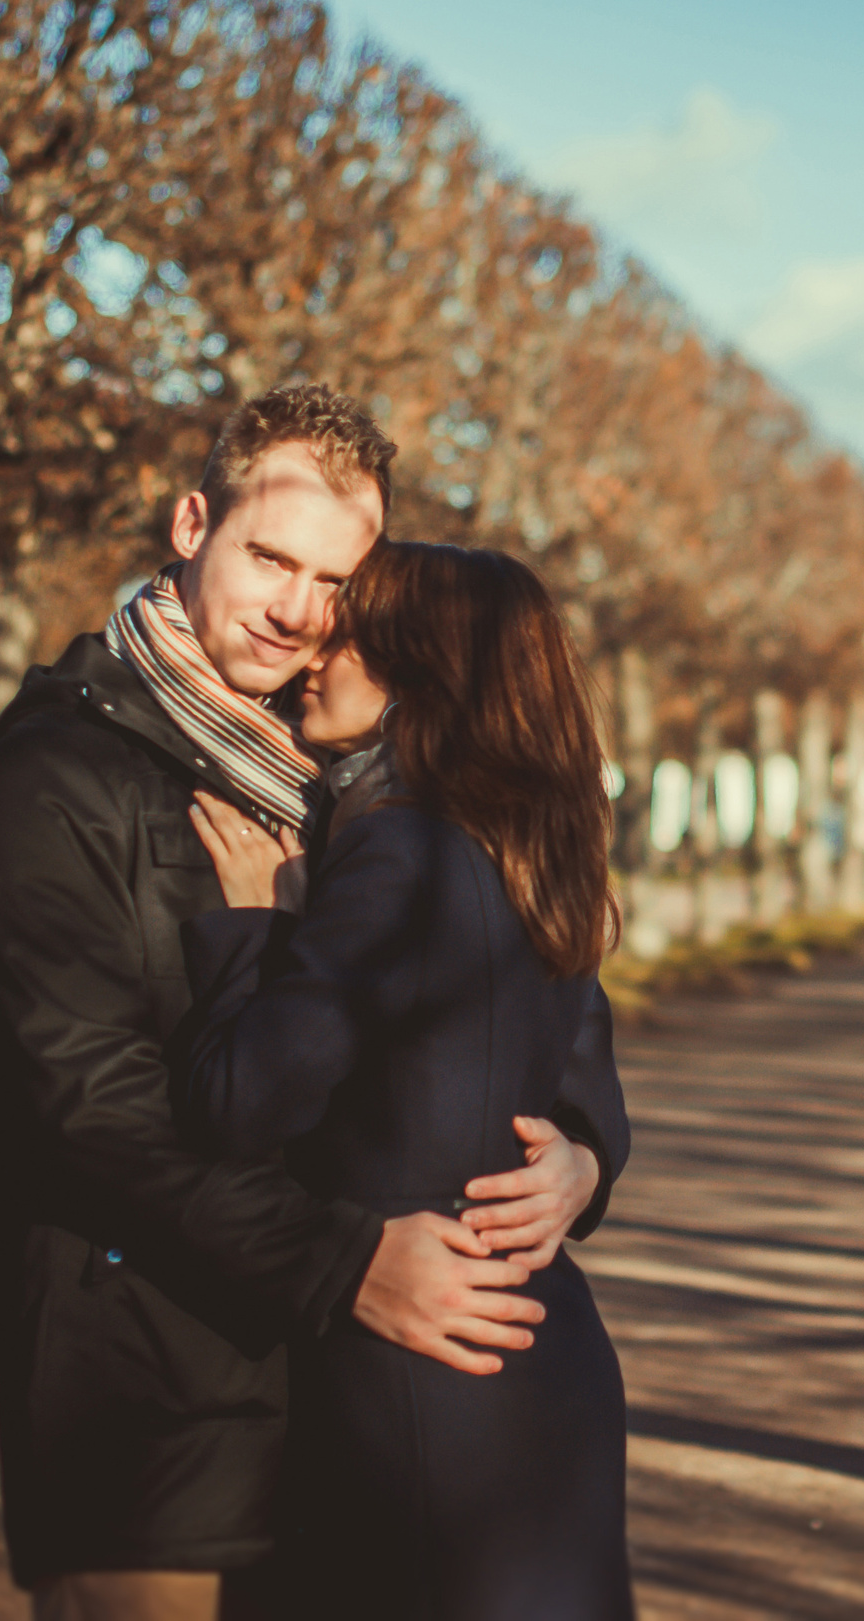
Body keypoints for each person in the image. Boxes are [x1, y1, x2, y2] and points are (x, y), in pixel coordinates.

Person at [0, 386, 625, 1621]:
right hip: (159, 1403)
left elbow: (527, 980)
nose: (296, 612)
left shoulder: (346, 763)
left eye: (336, 585)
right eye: (270, 557)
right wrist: (346, 1264)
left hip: (343, 1399)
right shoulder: (60, 766)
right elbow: (92, 1110)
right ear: (191, 523)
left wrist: (584, 1149)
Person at [175, 541, 634, 1621]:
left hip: (415, 1380)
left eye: (351, 630)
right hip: (535, 1360)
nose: (313, 649)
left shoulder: (396, 854)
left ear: (421, 667)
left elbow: (243, 1102)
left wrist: (250, 929)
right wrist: (587, 1153)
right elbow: (580, 1069)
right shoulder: (526, 851)